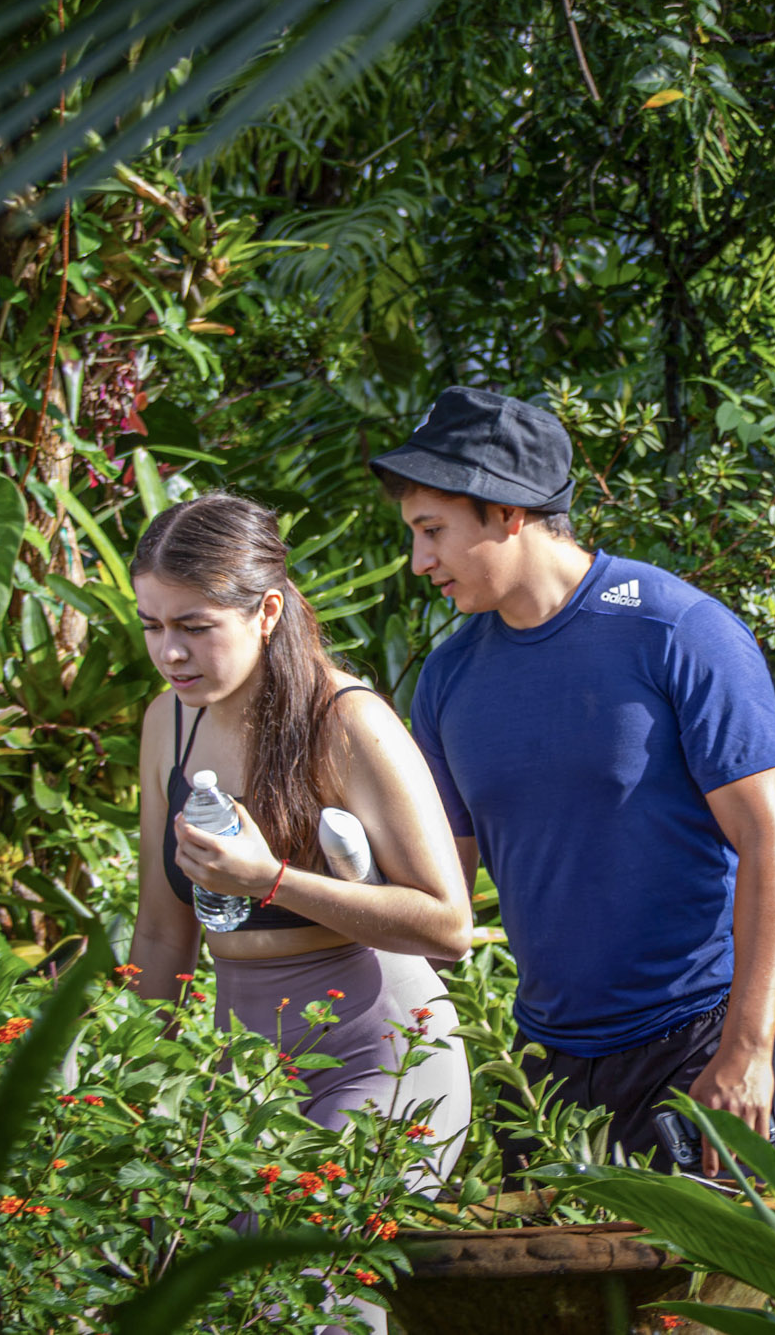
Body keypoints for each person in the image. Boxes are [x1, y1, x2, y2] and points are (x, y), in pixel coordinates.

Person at [374, 385, 775, 1177]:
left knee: (695, 1300)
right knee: (546, 1298)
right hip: (548, 1062)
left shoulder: (676, 630)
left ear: (509, 512)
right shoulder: (448, 677)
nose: (419, 560)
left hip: (701, 1032)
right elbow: (440, 893)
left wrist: (749, 1047)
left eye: (432, 531)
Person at [125, 492, 474, 1173]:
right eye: (152, 625)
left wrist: (270, 879)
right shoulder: (166, 721)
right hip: (248, 1078)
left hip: (380, 1057)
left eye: (196, 626)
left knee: (302, 1266)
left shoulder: (348, 720)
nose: (170, 650)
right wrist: (137, 1086)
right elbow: (164, 932)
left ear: (267, 611)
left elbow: (448, 925)